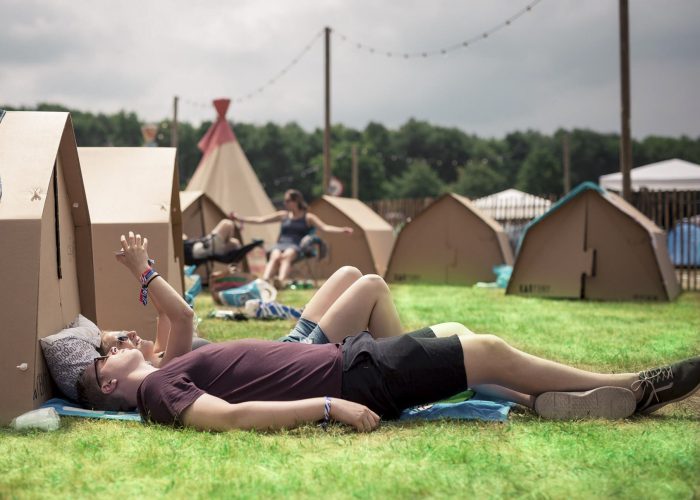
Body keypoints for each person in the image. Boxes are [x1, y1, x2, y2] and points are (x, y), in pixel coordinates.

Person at [77, 232, 700, 429]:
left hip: (351, 360)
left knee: (466, 343)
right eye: (109, 350)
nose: (121, 341)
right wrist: (329, 407)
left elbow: (175, 322)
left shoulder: (162, 370)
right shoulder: (160, 395)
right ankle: (633, 386)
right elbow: (232, 418)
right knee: (487, 349)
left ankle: (544, 399)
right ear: (107, 385)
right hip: (351, 375)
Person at [231, 189, 353, 288]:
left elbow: (325, 227)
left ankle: (280, 281)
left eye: (288, 200)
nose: (285, 203)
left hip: (297, 246)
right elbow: (260, 220)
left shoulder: (308, 217)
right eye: (285, 201)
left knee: (286, 256)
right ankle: (265, 281)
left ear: (296, 201)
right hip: (281, 243)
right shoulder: (283, 215)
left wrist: (342, 230)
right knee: (275, 255)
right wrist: (240, 218)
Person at [183, 218, 263, 267]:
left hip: (210, 248)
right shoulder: (182, 246)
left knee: (235, 242)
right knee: (227, 223)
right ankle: (228, 238)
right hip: (209, 248)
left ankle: (228, 239)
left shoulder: (182, 245)